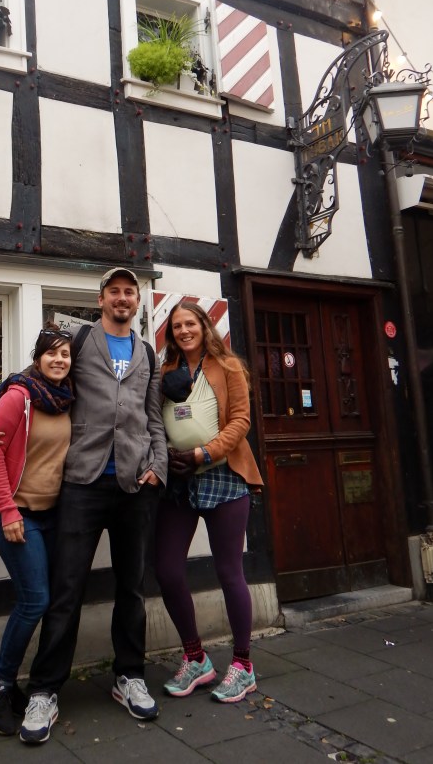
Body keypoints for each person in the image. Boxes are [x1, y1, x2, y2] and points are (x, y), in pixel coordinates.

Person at [0, 268, 168, 744]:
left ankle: (130, 676)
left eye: (130, 292)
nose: (122, 298)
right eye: (114, 291)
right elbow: (27, 374)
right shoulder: (80, 339)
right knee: (65, 591)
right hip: (81, 484)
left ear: (138, 300)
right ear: (100, 298)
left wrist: (158, 468)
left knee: (131, 588)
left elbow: (154, 417)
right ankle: (45, 690)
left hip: (133, 485)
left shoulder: (148, 352)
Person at [154, 301, 264, 704]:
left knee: (229, 572)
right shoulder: (164, 373)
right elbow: (154, 420)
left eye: (190, 324)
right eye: (177, 325)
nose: (183, 330)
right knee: (166, 570)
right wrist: (166, 457)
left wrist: (205, 453)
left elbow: (241, 420)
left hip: (222, 476)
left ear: (205, 326)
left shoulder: (229, 367)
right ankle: (196, 658)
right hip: (179, 482)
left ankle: (242, 664)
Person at [0, 326, 75, 736]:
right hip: (17, 513)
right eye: (51, 354)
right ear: (37, 359)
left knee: (47, 600)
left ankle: (30, 686)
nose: (59, 360)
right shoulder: (19, 396)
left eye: (66, 354)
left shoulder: (69, 398)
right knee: (34, 601)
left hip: (53, 514)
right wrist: (7, 510)